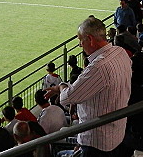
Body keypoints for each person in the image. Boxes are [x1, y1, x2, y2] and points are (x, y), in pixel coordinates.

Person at [44, 17, 132, 156]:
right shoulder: (120, 52)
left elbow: (67, 98)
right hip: (117, 133)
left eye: (81, 40)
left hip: (97, 143)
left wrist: (61, 86)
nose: (80, 45)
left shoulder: (98, 67)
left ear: (90, 39)